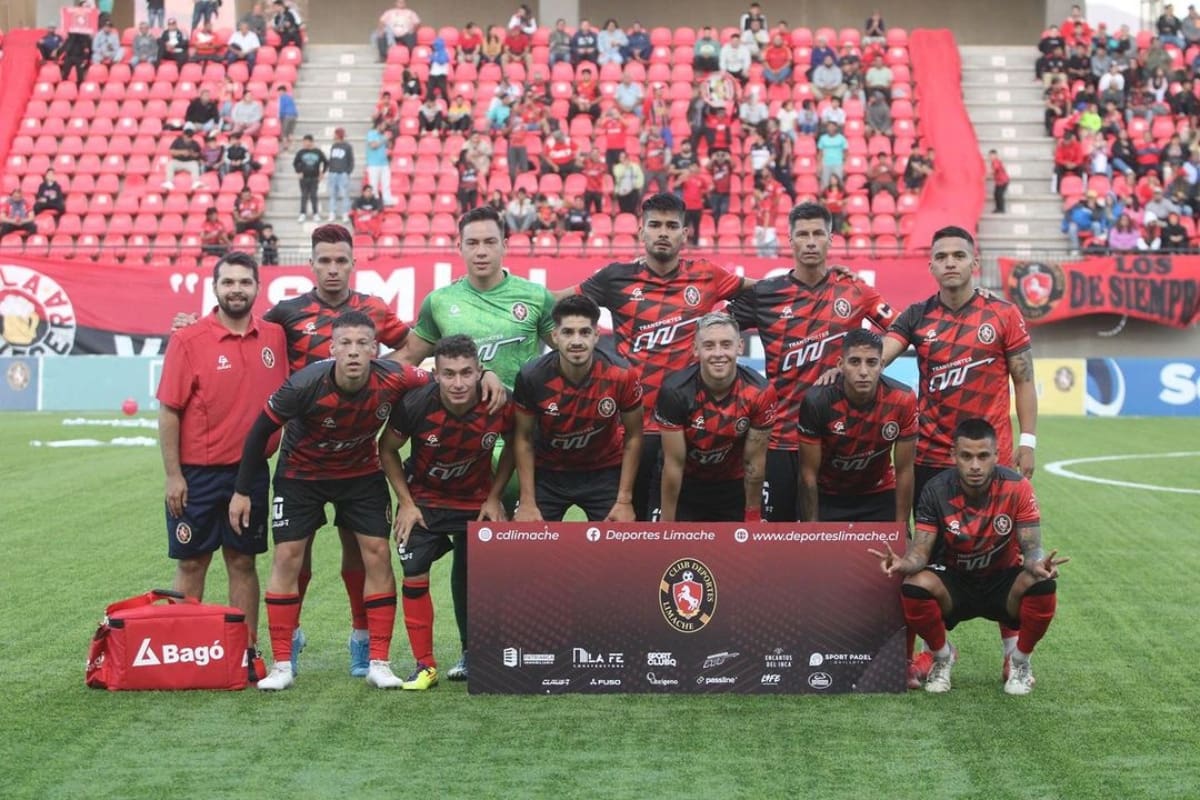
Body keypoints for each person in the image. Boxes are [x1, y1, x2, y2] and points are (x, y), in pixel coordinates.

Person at [230, 311, 429, 691]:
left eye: (362, 344)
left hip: (359, 473)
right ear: (332, 348)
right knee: (288, 556)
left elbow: (435, 380)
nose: (353, 352)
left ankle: (379, 660)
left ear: (375, 349)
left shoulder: (395, 376)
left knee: (377, 553)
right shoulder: (304, 384)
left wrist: (484, 375)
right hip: (301, 475)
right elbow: (259, 432)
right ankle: (282, 663)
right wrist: (241, 491)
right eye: (346, 344)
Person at [396, 206, 555, 680]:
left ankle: (534, 645)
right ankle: (472, 649)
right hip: (468, 456)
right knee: (471, 555)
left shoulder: (533, 297)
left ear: (506, 245)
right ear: (459, 247)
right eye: (473, 243)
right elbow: (408, 357)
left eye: (490, 242)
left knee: (527, 558)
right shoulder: (440, 302)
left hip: (524, 448)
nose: (482, 251)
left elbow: (569, 351)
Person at [882, 226, 1038, 684]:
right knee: (924, 554)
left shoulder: (1003, 314)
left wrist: (1027, 441)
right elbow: (881, 356)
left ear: (975, 261)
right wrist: (853, 364)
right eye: (941, 256)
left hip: (995, 461)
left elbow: (1023, 379)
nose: (949, 262)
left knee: (1007, 557)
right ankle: (930, 654)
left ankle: (1012, 653)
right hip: (932, 456)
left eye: (958, 255)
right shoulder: (916, 316)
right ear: (930, 265)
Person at [557, 192, 752, 520]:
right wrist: (495, 284)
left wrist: (826, 280)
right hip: (629, 430)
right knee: (627, 534)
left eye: (671, 225)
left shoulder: (707, 275)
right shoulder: (614, 278)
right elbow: (556, 303)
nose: (663, 232)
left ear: (684, 234)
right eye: (656, 225)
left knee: (679, 529)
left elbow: (771, 290)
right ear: (641, 231)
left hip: (687, 428)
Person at [156, 253, 287, 681]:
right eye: (228, 282)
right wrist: (174, 475)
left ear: (257, 287)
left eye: (244, 282)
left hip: (248, 475)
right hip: (196, 475)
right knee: (192, 562)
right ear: (215, 288)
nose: (236, 289)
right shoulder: (189, 339)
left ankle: (244, 652)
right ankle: (182, 650)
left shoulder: (274, 337)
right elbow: (169, 411)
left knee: (242, 561)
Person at [869, 418, 1067, 695]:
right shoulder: (936, 490)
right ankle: (941, 656)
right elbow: (922, 553)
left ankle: (1020, 661)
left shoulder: (1017, 487)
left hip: (1001, 582)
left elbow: (1031, 548)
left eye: (983, 456)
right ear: (953, 456)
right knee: (913, 585)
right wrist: (905, 563)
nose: (975, 465)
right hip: (955, 583)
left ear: (997, 456)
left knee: (1042, 584)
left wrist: (1038, 563)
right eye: (966, 456)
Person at [729, 202, 896, 522]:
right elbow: (715, 332)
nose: (810, 241)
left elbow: (900, 329)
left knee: (827, 540)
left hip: (836, 440)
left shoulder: (855, 289)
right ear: (789, 240)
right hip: (780, 439)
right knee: (775, 540)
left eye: (817, 233)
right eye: (802, 234)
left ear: (830, 239)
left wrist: (867, 365)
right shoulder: (766, 293)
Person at [378, 334, 514, 690]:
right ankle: (425, 666)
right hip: (426, 501)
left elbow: (519, 444)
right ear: (435, 374)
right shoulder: (415, 404)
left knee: (483, 572)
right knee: (413, 570)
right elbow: (387, 449)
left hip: (475, 500)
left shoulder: (498, 401)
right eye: (449, 373)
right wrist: (406, 503)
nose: (458, 382)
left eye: (466, 373)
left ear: (479, 372)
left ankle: (476, 654)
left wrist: (494, 496)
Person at [512, 295, 643, 523]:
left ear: (596, 336)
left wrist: (624, 500)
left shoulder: (621, 374)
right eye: (567, 332)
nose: (576, 341)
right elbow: (523, 439)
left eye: (584, 332)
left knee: (622, 550)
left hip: (604, 469)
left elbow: (634, 436)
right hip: (549, 472)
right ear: (555, 336)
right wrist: (527, 501)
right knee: (525, 545)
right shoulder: (532, 376)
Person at [656, 313, 775, 522]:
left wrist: (753, 516)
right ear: (695, 349)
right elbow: (674, 463)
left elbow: (753, 463)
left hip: (734, 487)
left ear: (740, 347)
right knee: (670, 553)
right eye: (709, 345)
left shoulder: (760, 392)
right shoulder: (675, 391)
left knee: (747, 554)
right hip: (686, 485)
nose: (718, 353)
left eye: (726, 344)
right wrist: (667, 525)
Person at [797, 329, 916, 523]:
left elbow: (904, 471)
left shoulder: (903, 400)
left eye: (871, 362)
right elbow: (808, 473)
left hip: (879, 494)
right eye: (854, 362)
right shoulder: (817, 401)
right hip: (828, 496)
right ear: (840, 364)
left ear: (882, 365)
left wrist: (902, 529)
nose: (863, 372)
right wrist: (812, 527)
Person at [293, 134, 327, 222]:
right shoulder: (301, 152)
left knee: (313, 196)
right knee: (304, 196)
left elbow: (326, 162)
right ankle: (302, 213)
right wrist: (298, 171)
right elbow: (295, 163)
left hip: (314, 177)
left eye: (306, 142)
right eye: (303, 142)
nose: (304, 144)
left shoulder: (318, 152)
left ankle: (315, 213)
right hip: (304, 178)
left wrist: (322, 173)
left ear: (311, 142)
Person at [325, 128, 354, 223]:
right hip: (333, 172)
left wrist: (348, 172)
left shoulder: (347, 146)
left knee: (345, 194)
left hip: (343, 173)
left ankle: (345, 213)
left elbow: (351, 160)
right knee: (332, 194)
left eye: (335, 134)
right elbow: (331, 159)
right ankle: (332, 212)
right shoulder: (334, 146)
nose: (334, 136)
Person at [164, 126, 205, 190]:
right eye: (188, 136)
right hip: (178, 161)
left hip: (189, 162)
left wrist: (192, 154)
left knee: (195, 164)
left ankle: (196, 182)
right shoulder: (177, 141)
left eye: (191, 137)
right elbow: (171, 151)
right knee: (170, 164)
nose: (189, 138)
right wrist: (182, 152)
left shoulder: (195, 143)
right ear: (184, 135)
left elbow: (198, 154)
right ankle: (169, 182)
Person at [364, 120, 395, 207]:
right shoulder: (371, 133)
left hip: (384, 163)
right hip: (373, 164)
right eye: (383, 125)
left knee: (386, 183)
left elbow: (389, 146)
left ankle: (387, 199)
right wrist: (384, 139)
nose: (385, 127)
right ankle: (374, 201)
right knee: (373, 184)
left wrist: (389, 139)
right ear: (378, 125)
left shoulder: (383, 135)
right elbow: (373, 146)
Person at [277, 85, 298, 151]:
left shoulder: (282, 98)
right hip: (294, 116)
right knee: (290, 132)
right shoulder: (290, 97)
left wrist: (280, 117)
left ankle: (285, 146)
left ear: (282, 91)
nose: (279, 93)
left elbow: (281, 108)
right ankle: (293, 145)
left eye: (279, 91)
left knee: (284, 133)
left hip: (286, 116)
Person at [989, 149, 1010, 213]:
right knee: (996, 194)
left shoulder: (996, 162)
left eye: (992, 155)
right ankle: (998, 208)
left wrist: (984, 176)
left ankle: (1001, 209)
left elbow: (994, 170)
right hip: (999, 182)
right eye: (990, 156)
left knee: (999, 195)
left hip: (1003, 181)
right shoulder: (993, 162)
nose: (991, 157)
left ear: (996, 155)